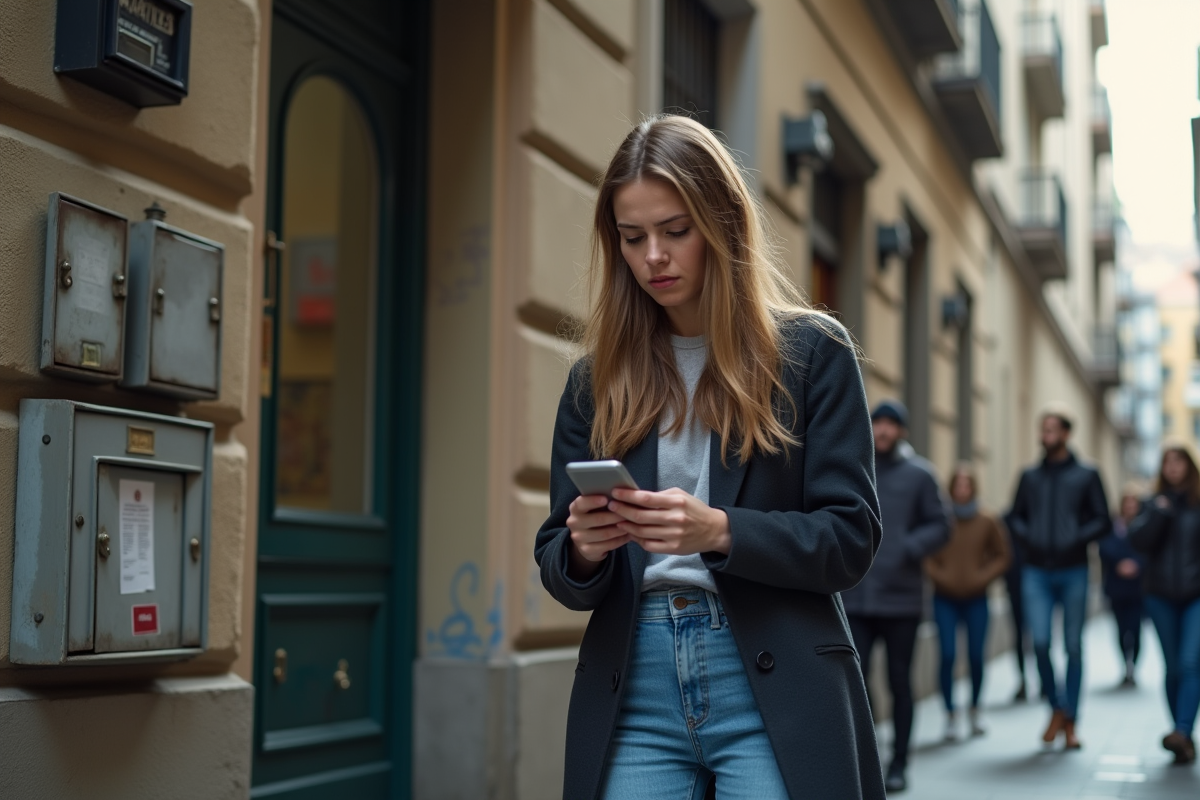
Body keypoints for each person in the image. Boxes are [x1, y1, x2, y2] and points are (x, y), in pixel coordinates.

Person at [534, 115, 885, 800]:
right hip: (633, 683)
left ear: (721, 223)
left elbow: (851, 538)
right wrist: (584, 548)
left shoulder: (812, 355)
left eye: (674, 230)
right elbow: (558, 565)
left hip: (771, 676)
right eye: (632, 238)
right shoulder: (595, 379)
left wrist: (719, 531)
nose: (653, 256)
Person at [841, 399, 951, 793]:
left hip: (902, 599)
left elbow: (941, 526)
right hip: (855, 597)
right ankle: (866, 759)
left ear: (902, 431)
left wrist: (907, 546)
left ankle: (900, 762)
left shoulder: (921, 475)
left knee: (900, 682)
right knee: (858, 682)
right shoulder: (855, 467)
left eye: (891, 424)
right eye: (878, 424)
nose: (883, 431)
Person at [1005, 408, 1111, 750]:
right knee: (1038, 642)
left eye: (1051, 429)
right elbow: (1014, 516)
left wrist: (1075, 538)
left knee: (1073, 647)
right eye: (1042, 429)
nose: (1045, 434)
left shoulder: (1087, 474)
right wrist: (1030, 536)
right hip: (1035, 570)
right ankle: (1057, 707)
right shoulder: (1029, 476)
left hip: (1074, 570)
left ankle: (1071, 721)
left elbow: (1102, 520)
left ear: (1066, 434)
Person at [924, 463, 1011, 741]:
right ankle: (950, 714)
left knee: (975, 656)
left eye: (967, 484)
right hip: (944, 598)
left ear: (973, 487)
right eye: (958, 484)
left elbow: (1002, 556)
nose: (962, 489)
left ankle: (975, 709)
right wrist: (941, 576)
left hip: (976, 599)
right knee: (948, 655)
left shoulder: (987, 520)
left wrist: (980, 578)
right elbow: (925, 553)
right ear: (951, 488)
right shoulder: (940, 518)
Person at [1129, 443, 1200, 765]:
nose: (1172, 467)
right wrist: (1159, 512)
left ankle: (1183, 731)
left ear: (1189, 466)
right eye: (1167, 462)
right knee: (1172, 668)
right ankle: (1180, 734)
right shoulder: (1152, 503)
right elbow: (1138, 541)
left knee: (1189, 663)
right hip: (1159, 596)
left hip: (1195, 596)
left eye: (1179, 461)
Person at [1099, 484, 1147, 688]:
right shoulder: (1112, 527)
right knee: (1120, 630)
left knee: (1135, 629)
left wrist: (1136, 564)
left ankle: (1133, 665)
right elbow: (1103, 547)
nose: (1130, 506)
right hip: (1117, 588)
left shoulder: (1146, 525)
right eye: (1127, 502)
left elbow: (1150, 550)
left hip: (1138, 588)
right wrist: (1120, 563)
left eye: (1133, 503)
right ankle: (1124, 665)